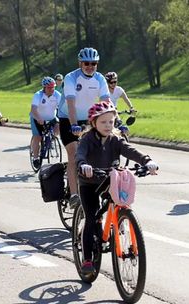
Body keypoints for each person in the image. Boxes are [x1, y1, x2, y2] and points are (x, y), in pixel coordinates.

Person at [75, 101, 158, 275]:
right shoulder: (87, 139)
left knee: (119, 203)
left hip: (109, 180)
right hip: (89, 182)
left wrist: (147, 161)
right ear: (93, 123)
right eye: (103, 122)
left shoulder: (115, 139)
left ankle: (118, 222)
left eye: (111, 122)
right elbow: (80, 154)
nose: (107, 126)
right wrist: (83, 165)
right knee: (92, 217)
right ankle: (88, 259)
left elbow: (130, 150)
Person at [58, 47, 110, 207]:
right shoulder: (71, 78)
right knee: (74, 155)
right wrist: (74, 125)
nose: (90, 66)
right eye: (86, 63)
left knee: (98, 153)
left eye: (93, 63)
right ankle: (74, 194)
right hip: (68, 118)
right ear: (80, 63)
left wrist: (115, 121)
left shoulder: (100, 79)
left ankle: (97, 189)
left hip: (88, 119)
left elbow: (106, 102)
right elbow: (71, 104)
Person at [30, 76, 61, 169]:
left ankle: (51, 139)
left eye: (53, 87)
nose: (51, 89)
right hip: (37, 118)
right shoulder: (38, 95)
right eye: (49, 88)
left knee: (58, 125)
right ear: (44, 88)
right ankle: (35, 158)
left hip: (51, 118)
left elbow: (63, 108)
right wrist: (39, 118)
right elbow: (34, 109)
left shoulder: (57, 95)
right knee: (37, 137)